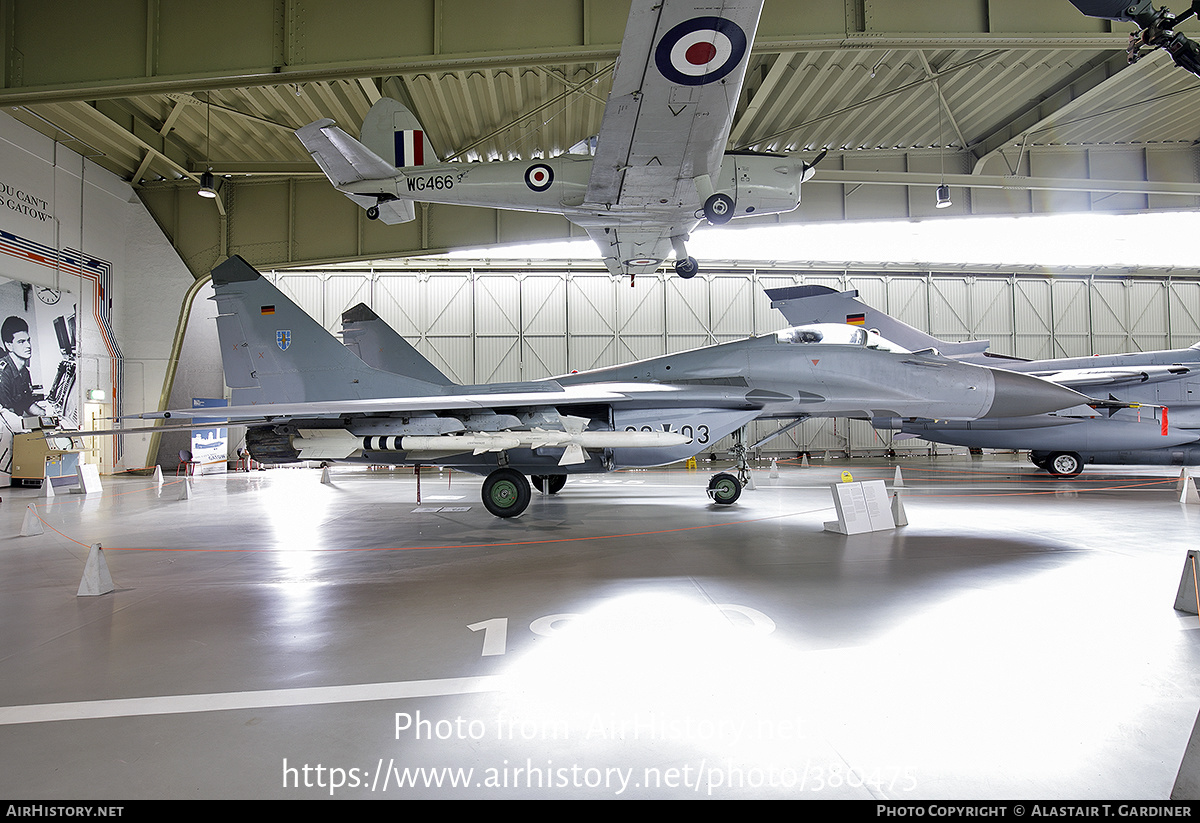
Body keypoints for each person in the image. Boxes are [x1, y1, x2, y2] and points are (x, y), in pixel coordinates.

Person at [0, 316, 47, 430]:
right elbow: (6, 416)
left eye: (28, 340)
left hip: (17, 425)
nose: (28, 346)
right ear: (9, 345)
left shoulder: (24, 372)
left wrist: (46, 414)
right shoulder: (3, 373)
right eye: (21, 342)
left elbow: (27, 403)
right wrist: (36, 425)